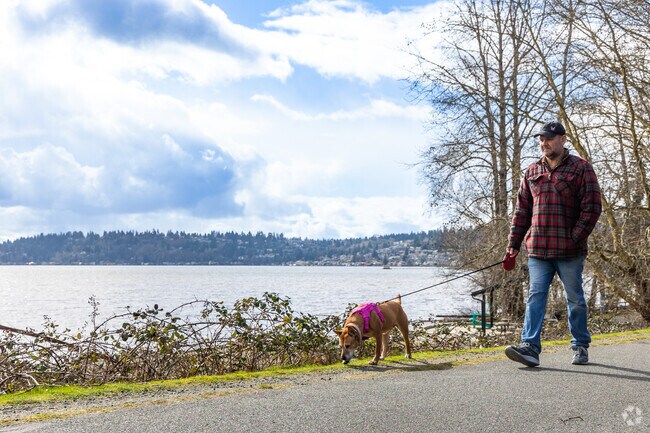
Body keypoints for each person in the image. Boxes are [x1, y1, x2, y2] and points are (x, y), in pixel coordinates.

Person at [504, 121, 602, 367]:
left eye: (548, 138)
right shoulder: (532, 171)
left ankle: (580, 345)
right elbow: (522, 211)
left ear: (562, 139)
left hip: (569, 251)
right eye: (541, 139)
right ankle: (529, 347)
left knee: (576, 299)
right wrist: (513, 244)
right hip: (537, 250)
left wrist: (574, 238)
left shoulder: (581, 169)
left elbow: (592, 208)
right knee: (535, 296)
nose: (544, 143)